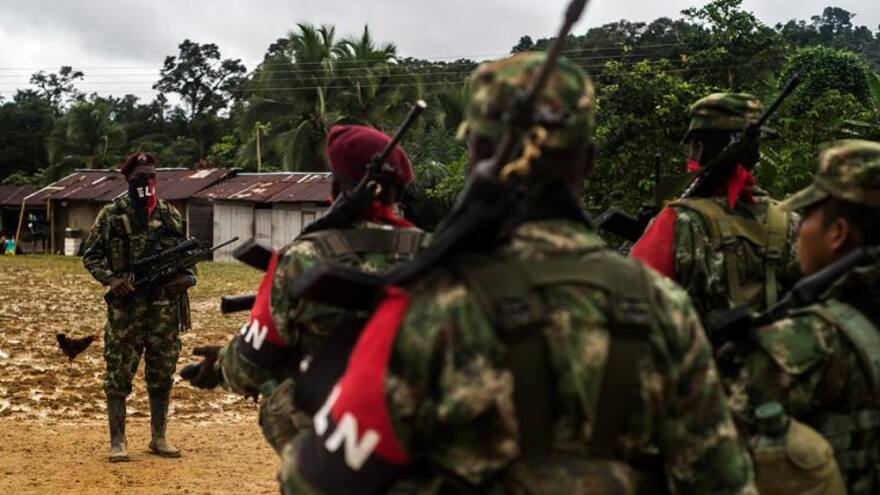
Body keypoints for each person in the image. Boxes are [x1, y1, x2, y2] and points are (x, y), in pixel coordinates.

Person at [279, 52, 756, 495]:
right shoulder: (663, 307)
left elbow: (314, 479)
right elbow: (721, 481)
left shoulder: (430, 304)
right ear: (587, 161)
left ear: (476, 157)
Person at [183, 125, 428, 454]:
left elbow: (252, 364)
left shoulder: (305, 256)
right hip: (421, 424)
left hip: (342, 436)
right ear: (398, 192)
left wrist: (219, 368)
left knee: (277, 389)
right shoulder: (432, 252)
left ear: (335, 186)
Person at [725, 140, 880, 495]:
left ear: (837, 233)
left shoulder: (800, 343)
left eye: (809, 215)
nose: (799, 229)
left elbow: (711, 457)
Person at [630, 93, 800, 332]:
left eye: (691, 147)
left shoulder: (676, 222)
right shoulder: (793, 223)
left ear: (698, 149)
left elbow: (630, 311)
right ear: (756, 155)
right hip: (777, 364)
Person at [82, 152, 195, 462]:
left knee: (162, 372)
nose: (147, 183)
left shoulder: (170, 214)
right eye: (139, 178)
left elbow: (187, 259)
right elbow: (90, 256)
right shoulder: (111, 215)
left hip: (164, 311)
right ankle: (117, 442)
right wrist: (111, 279)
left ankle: (159, 438)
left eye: (151, 176)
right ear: (128, 181)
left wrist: (188, 279)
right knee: (118, 374)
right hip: (126, 311)